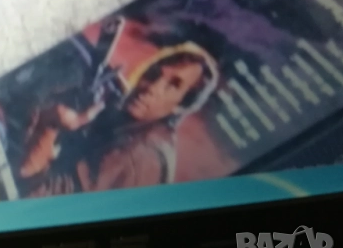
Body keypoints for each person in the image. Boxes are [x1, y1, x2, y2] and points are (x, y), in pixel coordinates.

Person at [17, 42, 220, 197]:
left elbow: (40, 200)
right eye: (154, 73)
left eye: (173, 85)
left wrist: (50, 125)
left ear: (182, 105)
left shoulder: (139, 154)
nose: (152, 87)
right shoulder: (134, 123)